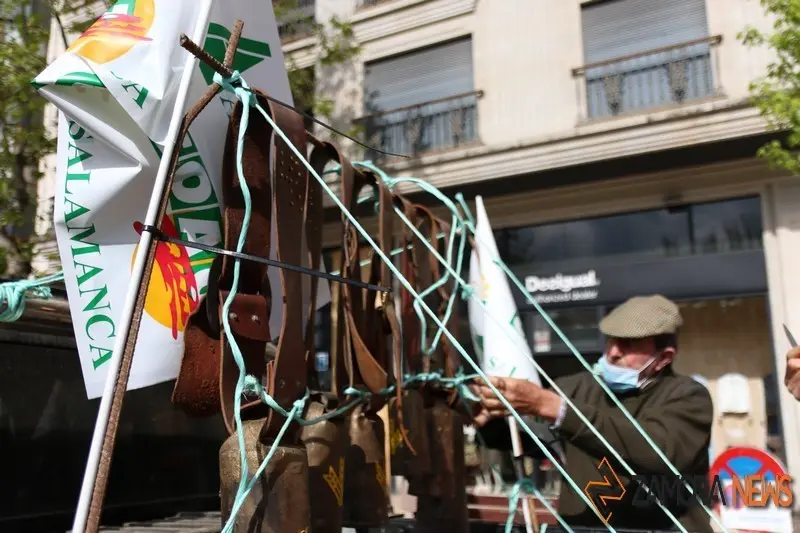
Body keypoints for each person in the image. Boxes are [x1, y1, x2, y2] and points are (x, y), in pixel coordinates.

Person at [470, 294, 714, 532]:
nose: (613, 352)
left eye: (628, 344)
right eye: (610, 340)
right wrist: (481, 415)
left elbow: (656, 452)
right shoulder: (576, 388)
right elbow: (530, 441)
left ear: (663, 358)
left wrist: (557, 410)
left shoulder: (689, 397)